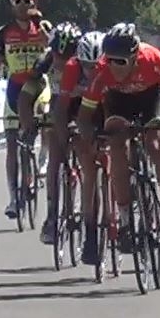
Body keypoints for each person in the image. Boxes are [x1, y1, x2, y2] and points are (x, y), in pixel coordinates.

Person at [78, 23, 160, 251]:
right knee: (117, 147)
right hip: (119, 103)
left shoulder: (153, 59)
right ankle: (125, 221)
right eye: (109, 59)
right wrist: (90, 136)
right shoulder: (102, 70)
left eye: (120, 61)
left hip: (151, 99)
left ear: (135, 55)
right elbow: (84, 115)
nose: (114, 66)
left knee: (156, 146)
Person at [0, 0, 53, 221]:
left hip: (39, 86)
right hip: (14, 88)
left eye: (27, 1)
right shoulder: (4, 32)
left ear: (34, 3)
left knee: (45, 113)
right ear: (11, 4)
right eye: (18, 2)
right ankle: (14, 198)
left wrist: (45, 31)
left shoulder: (44, 27)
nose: (23, 6)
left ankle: (44, 157)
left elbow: (58, 49)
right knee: (12, 145)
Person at [50, 30, 108, 264]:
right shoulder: (72, 68)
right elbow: (62, 109)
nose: (91, 70)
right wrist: (64, 140)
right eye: (87, 65)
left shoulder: (110, 68)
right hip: (78, 109)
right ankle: (90, 232)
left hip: (105, 109)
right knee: (87, 168)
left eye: (96, 65)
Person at [28, 22, 80, 245]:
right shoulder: (45, 60)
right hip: (60, 103)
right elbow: (27, 93)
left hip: (84, 103)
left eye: (67, 56)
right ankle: (51, 216)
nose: (61, 61)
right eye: (58, 55)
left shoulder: (86, 60)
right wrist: (28, 123)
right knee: (55, 159)